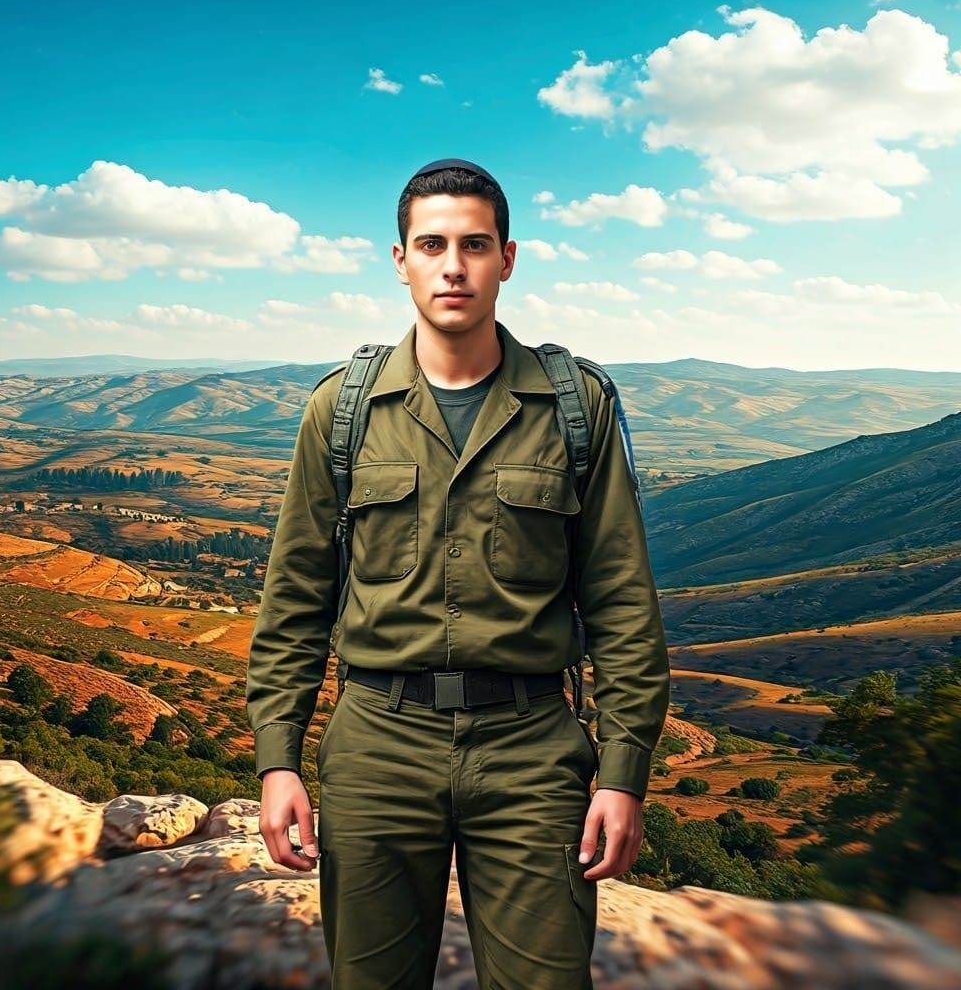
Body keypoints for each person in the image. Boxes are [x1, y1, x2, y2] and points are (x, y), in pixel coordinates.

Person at [245, 158, 670, 989]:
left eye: (474, 244)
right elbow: (295, 598)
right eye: (431, 243)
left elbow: (621, 600)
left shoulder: (575, 404)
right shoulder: (343, 408)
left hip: (531, 750)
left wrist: (623, 776)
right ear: (399, 259)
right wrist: (279, 759)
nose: (453, 265)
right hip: (376, 744)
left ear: (507, 258)